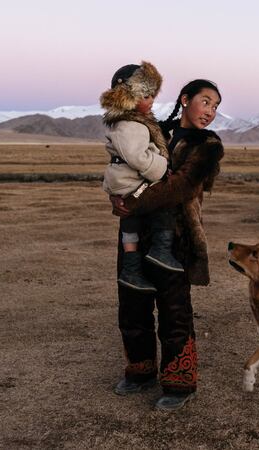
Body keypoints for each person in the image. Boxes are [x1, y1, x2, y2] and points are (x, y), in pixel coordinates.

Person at [109, 79, 224, 411]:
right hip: (135, 234)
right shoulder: (153, 130)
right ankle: (140, 371)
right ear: (185, 100)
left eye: (216, 106)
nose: (211, 111)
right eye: (206, 101)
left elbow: (182, 186)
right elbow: (123, 163)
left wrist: (132, 202)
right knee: (133, 304)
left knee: (174, 311)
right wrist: (116, 196)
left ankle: (179, 383)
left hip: (176, 236)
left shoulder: (208, 145)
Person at [100, 61, 185, 293]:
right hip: (131, 182)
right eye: (146, 96)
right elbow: (137, 157)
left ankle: (131, 269)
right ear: (127, 98)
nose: (151, 101)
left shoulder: (126, 122)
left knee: (131, 224)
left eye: (152, 96)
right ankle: (161, 249)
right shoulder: (132, 124)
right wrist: (161, 167)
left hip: (123, 182)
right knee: (164, 201)